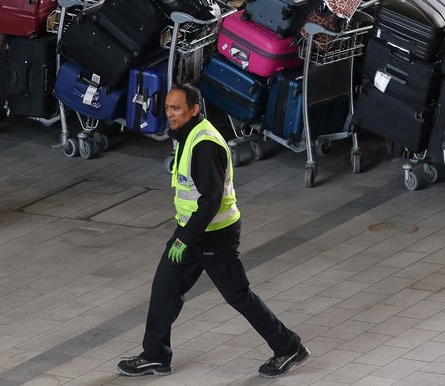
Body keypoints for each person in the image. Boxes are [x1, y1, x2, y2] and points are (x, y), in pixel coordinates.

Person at [118, 84, 309, 379]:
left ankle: (289, 347)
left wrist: (184, 238)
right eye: (168, 107)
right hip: (192, 232)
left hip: (215, 235)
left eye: (177, 108)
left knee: (238, 295)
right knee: (164, 290)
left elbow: (210, 201)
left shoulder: (204, 145)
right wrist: (185, 235)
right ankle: (155, 356)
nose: (170, 114)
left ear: (194, 109)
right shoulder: (188, 135)